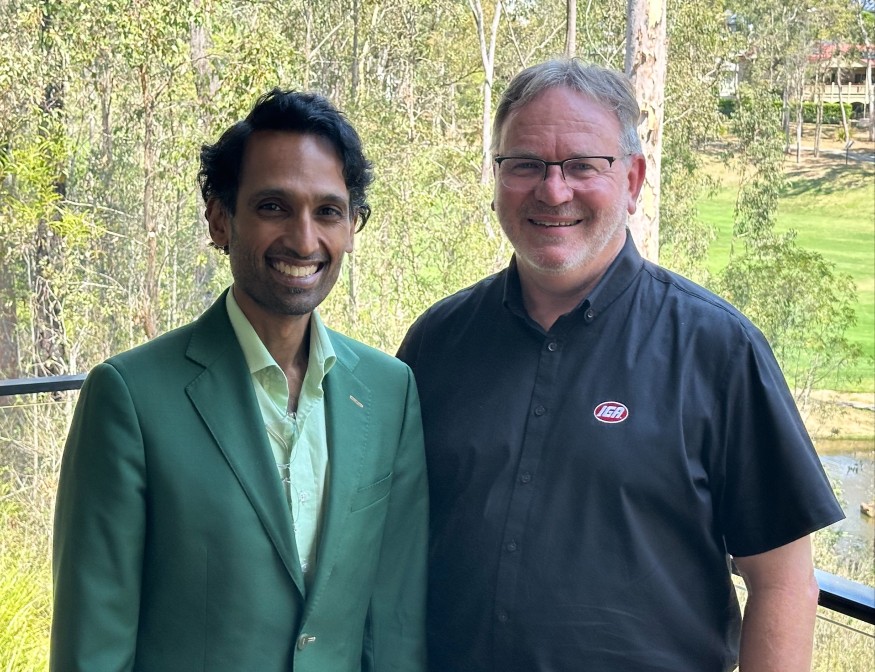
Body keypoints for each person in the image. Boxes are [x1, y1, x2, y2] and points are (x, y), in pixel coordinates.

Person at [397, 59, 844, 672]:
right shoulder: (438, 343)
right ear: (497, 178)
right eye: (525, 164)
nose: (553, 190)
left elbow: (784, 583)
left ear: (632, 181)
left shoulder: (718, 350)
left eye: (583, 165)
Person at [51, 89, 428, 672]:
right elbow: (92, 648)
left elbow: (396, 628)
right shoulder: (131, 398)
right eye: (274, 206)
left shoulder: (388, 391)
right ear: (220, 219)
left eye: (328, 211)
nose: (304, 239)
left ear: (352, 227)